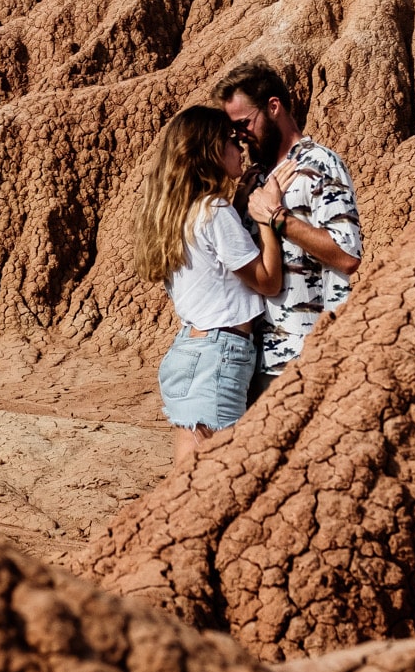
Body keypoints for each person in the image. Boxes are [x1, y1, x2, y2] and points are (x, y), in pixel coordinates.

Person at [134, 104, 285, 462]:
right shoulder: (215, 211)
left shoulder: (182, 211)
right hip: (219, 356)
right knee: (219, 477)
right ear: (211, 150)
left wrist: (238, 202)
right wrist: (267, 219)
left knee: (189, 483)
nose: (242, 149)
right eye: (232, 140)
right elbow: (267, 281)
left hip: (191, 352)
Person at [215, 63, 362, 398]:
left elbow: (347, 256)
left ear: (273, 107)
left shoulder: (320, 165)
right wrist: (240, 206)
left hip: (305, 357)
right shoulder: (257, 176)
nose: (241, 137)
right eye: (234, 132)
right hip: (253, 358)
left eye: (244, 124)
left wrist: (278, 218)